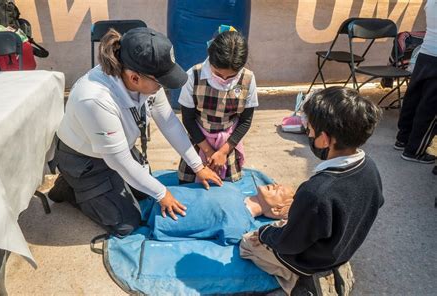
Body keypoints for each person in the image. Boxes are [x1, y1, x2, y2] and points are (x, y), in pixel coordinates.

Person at [49, 27, 222, 237]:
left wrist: (197, 166)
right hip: (85, 160)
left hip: (119, 149)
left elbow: (168, 122)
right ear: (134, 78)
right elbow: (119, 161)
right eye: (161, 82)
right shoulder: (95, 99)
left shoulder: (146, 79)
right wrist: (162, 193)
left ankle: (97, 188)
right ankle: (71, 186)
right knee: (127, 224)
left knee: (142, 192)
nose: (163, 87)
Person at [240, 87, 384, 295]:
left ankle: (301, 282)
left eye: (310, 129)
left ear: (325, 139)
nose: (308, 133)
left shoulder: (316, 192)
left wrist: (264, 234)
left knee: (247, 243)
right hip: (343, 246)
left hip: (312, 259)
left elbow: (289, 244)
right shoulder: (370, 166)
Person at [177, 25, 258, 183]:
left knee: (226, 190)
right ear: (210, 56)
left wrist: (223, 152)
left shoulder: (248, 79)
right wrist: (207, 150)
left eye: (232, 76)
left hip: (228, 145)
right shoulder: (193, 76)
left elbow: (245, 120)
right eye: (218, 74)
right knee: (190, 188)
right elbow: (188, 119)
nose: (225, 80)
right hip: (198, 141)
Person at [145, 182, 295, 246]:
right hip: (156, 191)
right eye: (278, 185)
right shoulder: (233, 188)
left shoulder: (240, 225)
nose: (275, 185)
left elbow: (233, 239)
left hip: (157, 214)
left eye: (279, 191)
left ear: (276, 210)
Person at [395, 0, 437, 166]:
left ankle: (403, 139)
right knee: (430, 108)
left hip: (426, 54)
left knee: (414, 98)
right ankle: (415, 151)